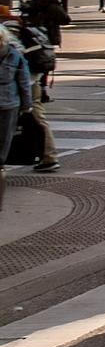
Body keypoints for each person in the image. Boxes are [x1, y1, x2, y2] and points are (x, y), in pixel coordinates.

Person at [0, 18, 33, 210]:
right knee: (2, 152)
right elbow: (24, 82)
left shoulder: (14, 55)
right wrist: (27, 106)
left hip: (8, 105)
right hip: (9, 105)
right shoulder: (14, 54)